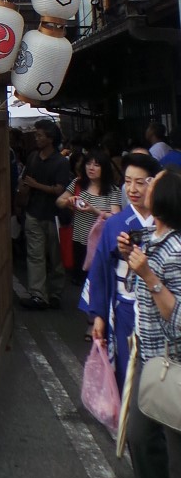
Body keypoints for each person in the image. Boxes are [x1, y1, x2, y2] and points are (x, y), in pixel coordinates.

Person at [121, 170, 181, 478]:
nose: (138, 187)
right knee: (141, 442)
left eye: (149, 183)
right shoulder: (151, 237)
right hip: (150, 361)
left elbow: (178, 320)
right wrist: (131, 260)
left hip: (174, 365)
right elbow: (131, 290)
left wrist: (148, 274)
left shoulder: (177, 249)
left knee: (178, 463)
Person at [80, 152, 158, 388]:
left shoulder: (165, 221)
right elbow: (100, 272)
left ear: (153, 183)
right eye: (127, 181)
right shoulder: (114, 223)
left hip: (158, 308)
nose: (132, 189)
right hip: (125, 306)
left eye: (140, 182)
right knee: (127, 374)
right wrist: (99, 316)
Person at [19, 118, 71, 311]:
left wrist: (36, 186)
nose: (36, 137)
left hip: (54, 215)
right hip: (34, 211)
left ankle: (55, 292)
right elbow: (25, 180)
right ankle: (38, 294)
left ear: (50, 138)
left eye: (39, 135)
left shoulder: (60, 162)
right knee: (35, 255)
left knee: (55, 257)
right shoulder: (33, 157)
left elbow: (59, 189)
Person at [56, 147, 121, 281]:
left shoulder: (112, 190)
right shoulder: (78, 183)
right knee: (81, 281)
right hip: (79, 241)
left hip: (100, 243)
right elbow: (59, 201)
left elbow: (116, 217)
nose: (91, 168)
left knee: (99, 280)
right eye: (88, 164)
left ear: (104, 168)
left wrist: (94, 210)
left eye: (96, 165)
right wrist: (68, 201)